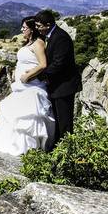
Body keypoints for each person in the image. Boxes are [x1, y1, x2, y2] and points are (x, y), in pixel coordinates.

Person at [0, 17, 56, 156]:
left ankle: (27, 147)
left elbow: (43, 64)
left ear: (32, 29)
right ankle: (12, 143)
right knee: (14, 111)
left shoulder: (38, 43)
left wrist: (28, 76)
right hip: (22, 86)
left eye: (24, 27)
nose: (22, 30)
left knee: (27, 115)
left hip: (32, 86)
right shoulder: (29, 43)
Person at [33, 9, 82, 150]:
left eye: (39, 26)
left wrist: (41, 75)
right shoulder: (51, 35)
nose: (37, 29)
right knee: (59, 120)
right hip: (56, 86)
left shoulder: (61, 37)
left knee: (65, 121)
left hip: (64, 87)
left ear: (48, 24)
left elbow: (59, 63)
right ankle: (59, 148)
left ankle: (67, 150)